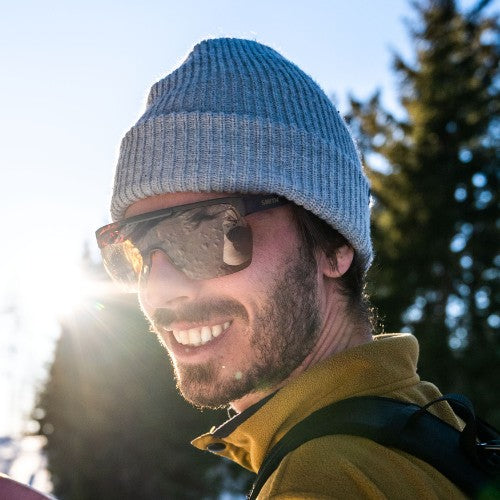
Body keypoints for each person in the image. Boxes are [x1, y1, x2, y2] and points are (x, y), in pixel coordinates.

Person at [95, 38, 465, 498]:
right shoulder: (435, 431)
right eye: (136, 249)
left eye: (211, 230)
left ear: (333, 245)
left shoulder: (319, 484)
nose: (158, 290)